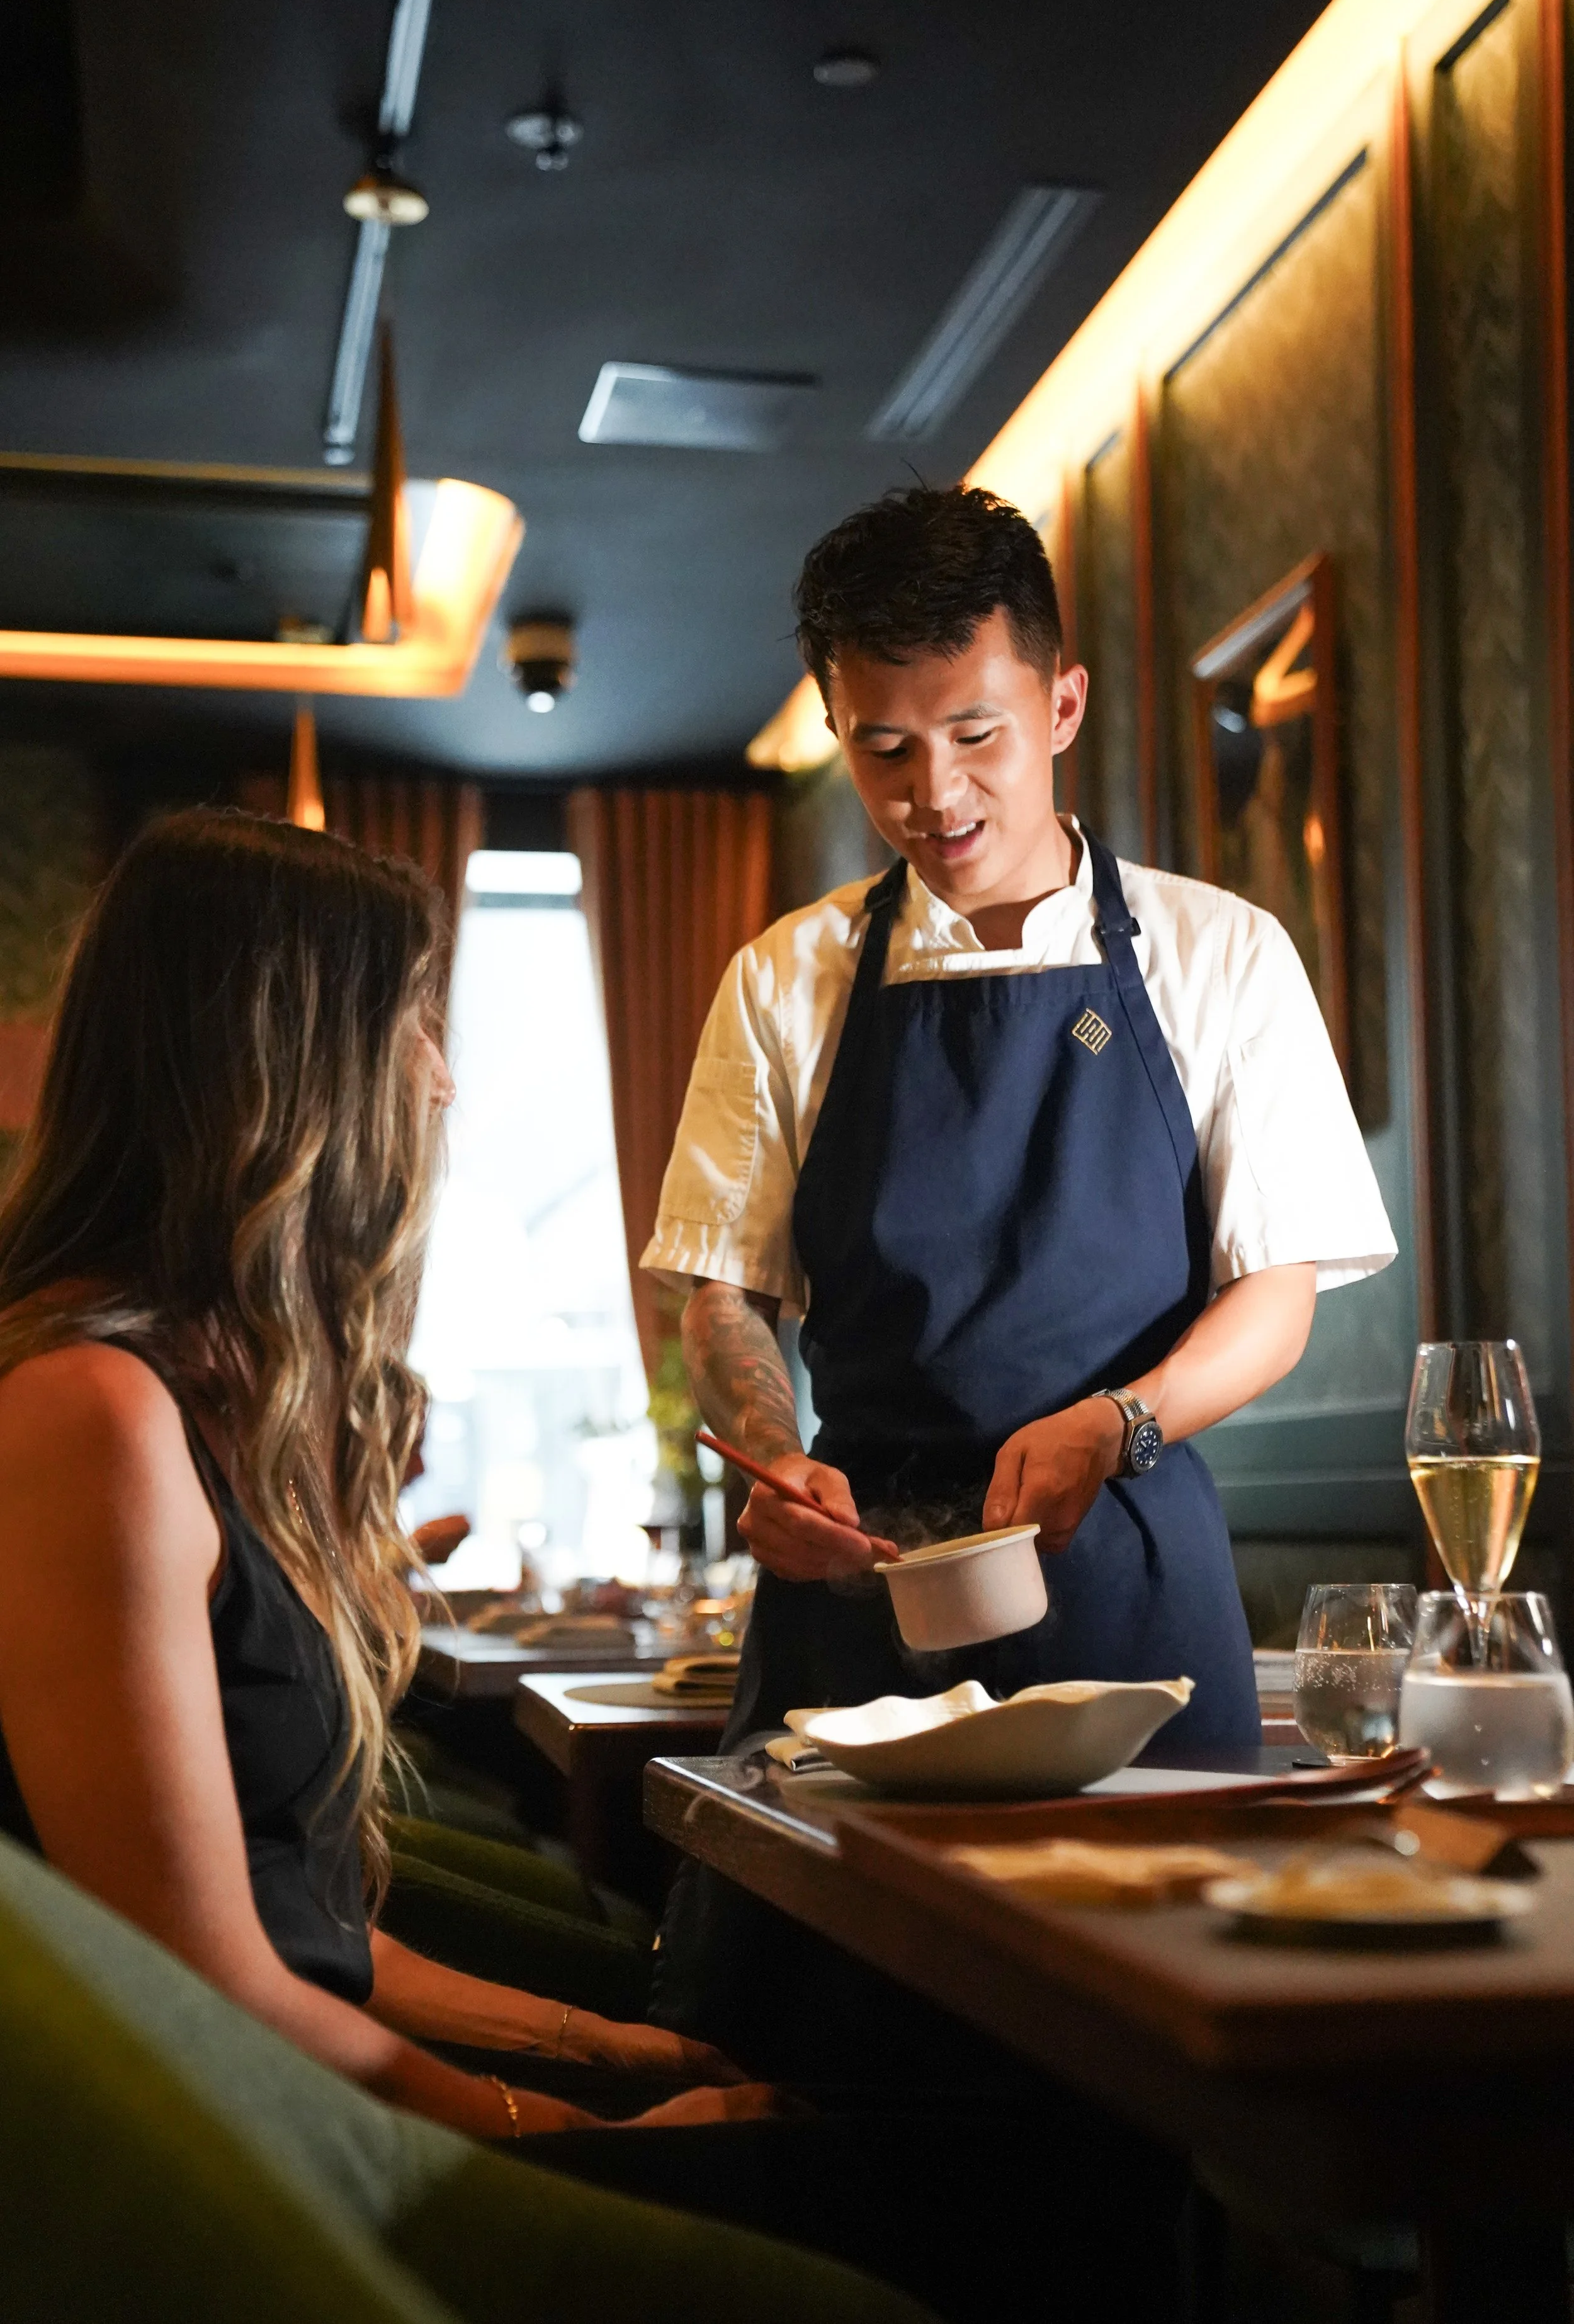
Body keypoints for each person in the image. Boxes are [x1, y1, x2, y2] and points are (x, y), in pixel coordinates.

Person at [642, 484, 1396, 2066]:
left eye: (974, 733)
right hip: (858, 1608)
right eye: (884, 746)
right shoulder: (784, 979)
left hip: (1128, 1574)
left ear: (1057, 702)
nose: (933, 792)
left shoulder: (1215, 953)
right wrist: (777, 1456)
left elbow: (1276, 1290)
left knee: (1146, 2064)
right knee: (840, 2063)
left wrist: (1114, 1425)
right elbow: (724, 1285)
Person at [0, 809, 759, 2143]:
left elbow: (308, 1934)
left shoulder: (190, 1391)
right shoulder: (90, 1413)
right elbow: (204, 1989)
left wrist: (602, 2047)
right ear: (288, 1065)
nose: (444, 1081)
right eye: (416, 1022)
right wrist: (562, 2135)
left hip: (293, 2109)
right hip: (237, 2175)